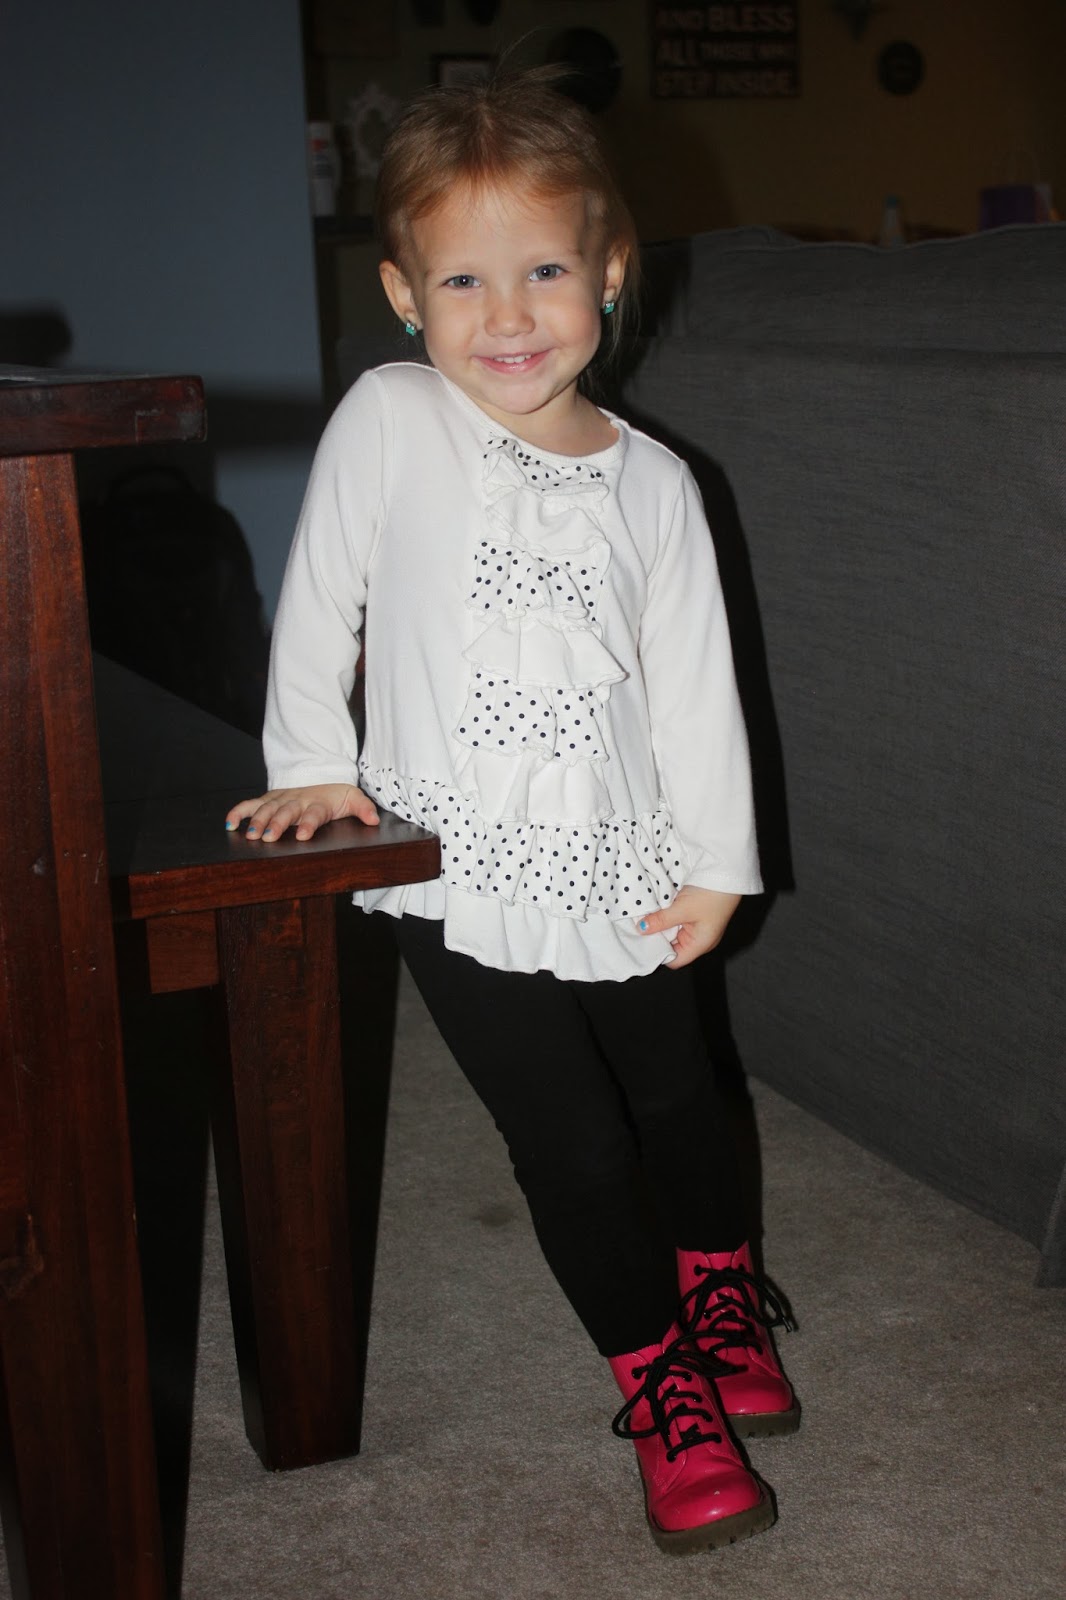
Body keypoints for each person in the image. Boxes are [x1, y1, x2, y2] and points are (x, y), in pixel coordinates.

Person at [226, 69, 797, 1556]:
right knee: (571, 1146)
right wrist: (311, 757)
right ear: (403, 295)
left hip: (630, 860)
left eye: (543, 269)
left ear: (609, 271)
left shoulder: (659, 487)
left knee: (676, 1098)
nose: (507, 315)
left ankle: (721, 1291)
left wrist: (716, 863)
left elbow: (697, 689)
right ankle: (662, 1392)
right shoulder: (391, 417)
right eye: (462, 280)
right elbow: (322, 592)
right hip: (451, 868)